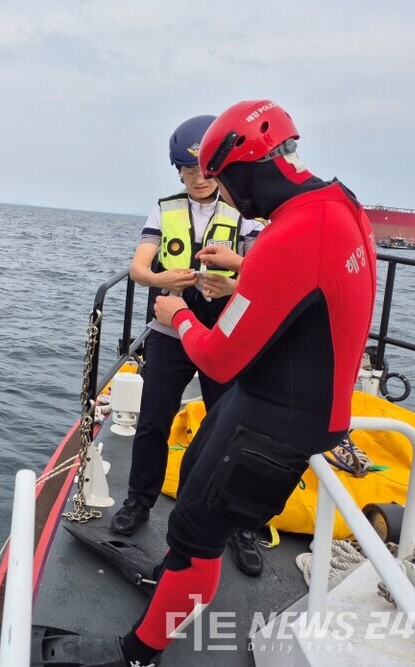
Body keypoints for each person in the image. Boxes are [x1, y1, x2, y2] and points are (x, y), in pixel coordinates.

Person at [54, 99, 377, 666]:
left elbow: (222, 359)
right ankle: (176, 578)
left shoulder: (289, 233)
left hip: (274, 421)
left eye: (224, 178)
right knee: (194, 502)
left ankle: (138, 651)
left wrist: (174, 314)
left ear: (244, 165)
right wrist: (245, 266)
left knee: (198, 527)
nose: (222, 191)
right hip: (281, 400)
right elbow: (306, 278)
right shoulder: (337, 205)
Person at [112, 114, 266, 577]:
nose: (199, 179)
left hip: (223, 335)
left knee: (232, 430)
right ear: (177, 170)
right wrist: (160, 278)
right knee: (154, 421)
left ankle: (237, 524)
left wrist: (232, 283)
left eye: (207, 170)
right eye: (189, 170)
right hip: (169, 333)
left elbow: (263, 271)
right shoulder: (164, 210)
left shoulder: (245, 213)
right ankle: (140, 501)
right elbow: (140, 267)